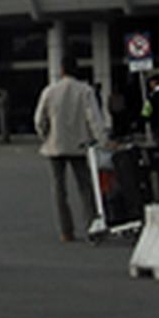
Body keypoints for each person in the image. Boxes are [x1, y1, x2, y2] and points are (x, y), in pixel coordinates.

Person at [34, 53, 111, 242]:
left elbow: (39, 119)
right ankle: (92, 226)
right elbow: (94, 118)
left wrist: (45, 135)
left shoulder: (50, 91)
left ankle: (66, 231)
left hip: (55, 145)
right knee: (85, 187)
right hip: (80, 145)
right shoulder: (84, 91)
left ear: (61, 70)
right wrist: (102, 141)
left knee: (59, 189)